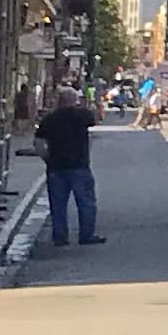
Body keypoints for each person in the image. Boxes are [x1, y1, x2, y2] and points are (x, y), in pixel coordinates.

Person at [34, 81, 101, 247]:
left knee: (58, 205)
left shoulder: (50, 119)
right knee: (86, 202)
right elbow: (95, 119)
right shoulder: (82, 115)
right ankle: (86, 235)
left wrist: (47, 159)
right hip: (79, 165)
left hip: (56, 166)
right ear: (74, 100)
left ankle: (60, 237)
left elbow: (38, 142)